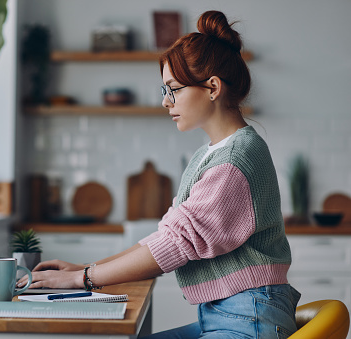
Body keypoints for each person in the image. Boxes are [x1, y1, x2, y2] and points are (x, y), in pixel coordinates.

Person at [18, 10, 300, 338]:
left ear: (212, 88)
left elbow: (176, 244)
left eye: (174, 89)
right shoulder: (211, 154)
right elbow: (168, 234)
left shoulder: (233, 160)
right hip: (233, 312)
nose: (166, 102)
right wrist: (85, 270)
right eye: (164, 90)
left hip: (249, 316)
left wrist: (83, 279)